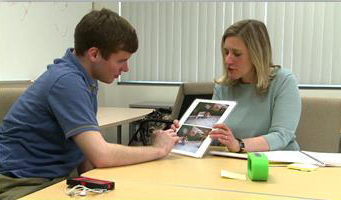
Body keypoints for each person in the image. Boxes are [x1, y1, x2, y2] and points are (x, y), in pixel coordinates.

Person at [0, 8, 179, 199]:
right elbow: (101, 155)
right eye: (121, 60)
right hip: (19, 183)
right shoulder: (67, 81)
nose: (125, 68)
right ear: (94, 54)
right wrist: (157, 149)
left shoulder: (85, 78)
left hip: (48, 179)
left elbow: (86, 158)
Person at [173, 19, 301, 153]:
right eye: (226, 52)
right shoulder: (223, 87)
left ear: (257, 55)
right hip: (234, 160)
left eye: (237, 54)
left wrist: (239, 145)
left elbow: (281, 136)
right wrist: (183, 133)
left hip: (277, 163)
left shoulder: (283, 81)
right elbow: (214, 135)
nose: (228, 60)